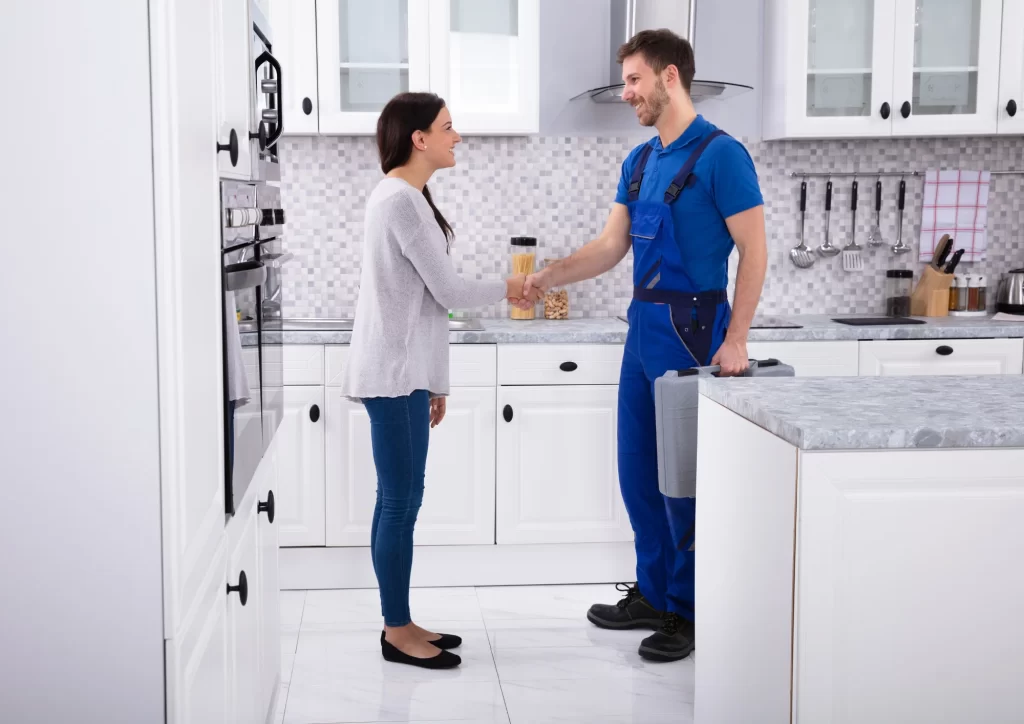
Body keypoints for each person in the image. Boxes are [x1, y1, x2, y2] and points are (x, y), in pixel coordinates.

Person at [523, 29, 767, 662]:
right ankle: (656, 594)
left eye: (634, 79)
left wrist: (736, 337)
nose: (626, 91)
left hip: (695, 333)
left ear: (670, 78)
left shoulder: (722, 156)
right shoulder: (639, 161)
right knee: (637, 474)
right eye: (626, 80)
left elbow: (756, 252)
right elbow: (610, 248)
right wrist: (550, 273)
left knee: (681, 482)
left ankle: (688, 610)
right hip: (644, 330)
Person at [339, 92, 541, 670]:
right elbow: (449, 294)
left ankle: (399, 620)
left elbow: (424, 304)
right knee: (400, 504)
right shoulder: (401, 202)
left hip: (404, 373)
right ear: (418, 138)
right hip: (395, 374)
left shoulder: (407, 198)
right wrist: (514, 286)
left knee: (397, 501)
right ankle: (396, 631)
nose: (458, 138)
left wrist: (436, 381)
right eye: (448, 128)